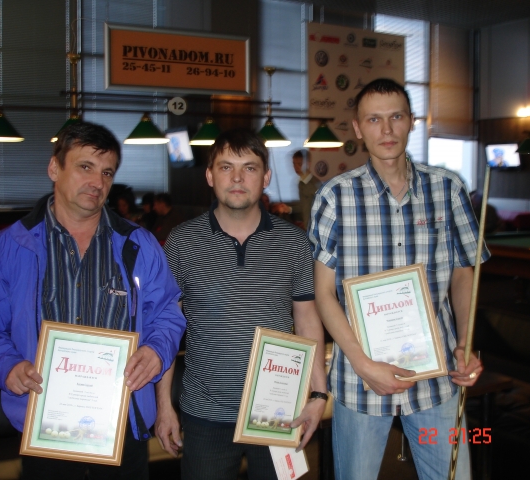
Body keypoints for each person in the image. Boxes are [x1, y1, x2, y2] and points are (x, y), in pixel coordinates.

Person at [0, 122, 187, 480]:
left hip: (122, 426)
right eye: (86, 167)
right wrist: (7, 365)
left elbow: (167, 314)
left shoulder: (139, 244)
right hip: (44, 426)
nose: (97, 182)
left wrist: (156, 350)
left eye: (107, 172)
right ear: (55, 168)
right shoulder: (12, 245)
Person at [309, 78, 489, 480]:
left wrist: (465, 342)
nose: (386, 129)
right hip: (359, 380)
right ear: (358, 128)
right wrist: (363, 364)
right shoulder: (335, 197)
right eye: (374, 119)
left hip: (437, 377)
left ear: (411, 121)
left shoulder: (448, 189)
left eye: (396, 117)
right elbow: (323, 293)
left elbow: (464, 273)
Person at [155, 128, 327, 480]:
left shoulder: (294, 243)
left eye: (249, 168)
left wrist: (319, 395)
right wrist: (164, 406)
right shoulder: (182, 242)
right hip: (205, 414)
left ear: (266, 177)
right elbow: (165, 328)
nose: (237, 178)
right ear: (209, 175)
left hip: (279, 410)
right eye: (226, 167)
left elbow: (307, 319)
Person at [271, 150, 321, 230]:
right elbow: (303, 206)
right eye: (294, 163)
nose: (296, 167)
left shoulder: (315, 185)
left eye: (299, 164)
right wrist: (288, 208)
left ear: (308, 164)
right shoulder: (301, 183)